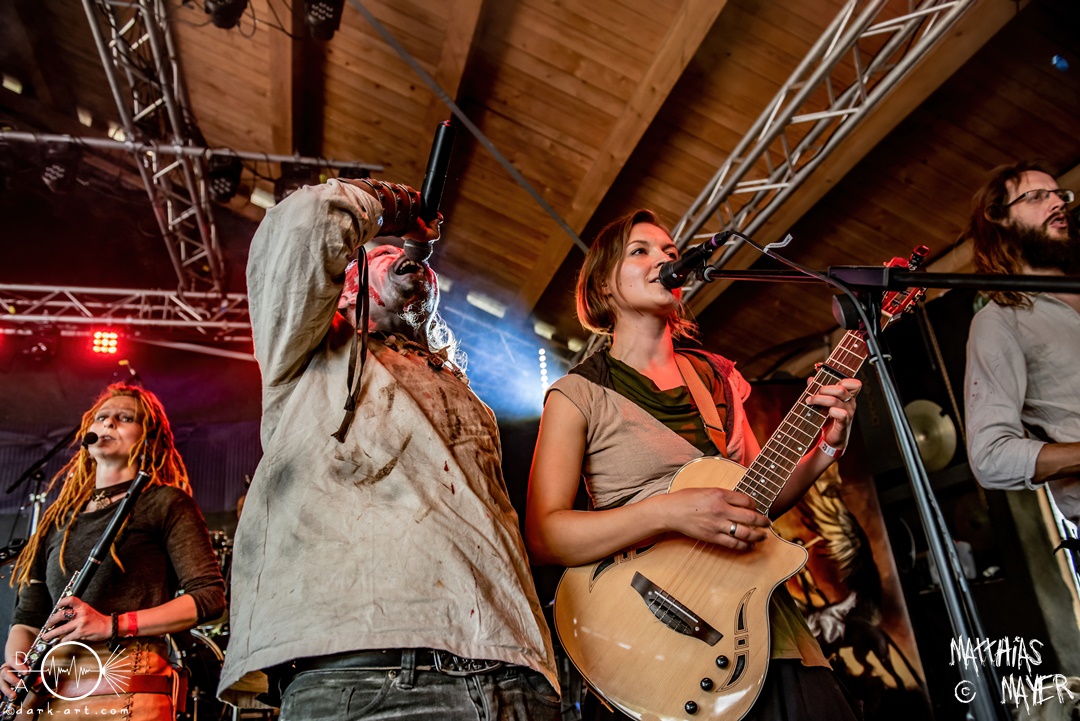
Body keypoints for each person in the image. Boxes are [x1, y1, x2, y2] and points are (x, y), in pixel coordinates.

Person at [217, 177, 560, 721]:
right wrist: (393, 206)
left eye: (411, 257)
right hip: (363, 672)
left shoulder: (467, 396)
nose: (407, 259)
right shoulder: (308, 359)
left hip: (507, 672)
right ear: (345, 289)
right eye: (381, 255)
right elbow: (305, 222)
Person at [525, 209, 862, 720]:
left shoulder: (715, 377)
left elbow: (756, 498)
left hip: (759, 621)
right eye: (640, 251)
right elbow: (546, 536)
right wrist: (669, 512)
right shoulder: (577, 394)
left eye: (670, 252)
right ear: (603, 286)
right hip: (649, 635)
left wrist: (825, 451)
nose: (664, 258)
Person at [1, 383, 226, 719]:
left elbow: (208, 597)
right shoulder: (59, 518)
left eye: (125, 418)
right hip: (49, 693)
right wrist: (16, 664)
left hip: (125, 684)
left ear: (147, 439)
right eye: (102, 417)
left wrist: (112, 624)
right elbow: (29, 619)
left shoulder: (165, 502)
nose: (109, 423)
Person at [963, 161, 1080, 522]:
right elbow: (990, 458)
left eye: (1059, 195)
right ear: (998, 217)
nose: (1057, 203)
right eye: (1037, 197)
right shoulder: (999, 321)